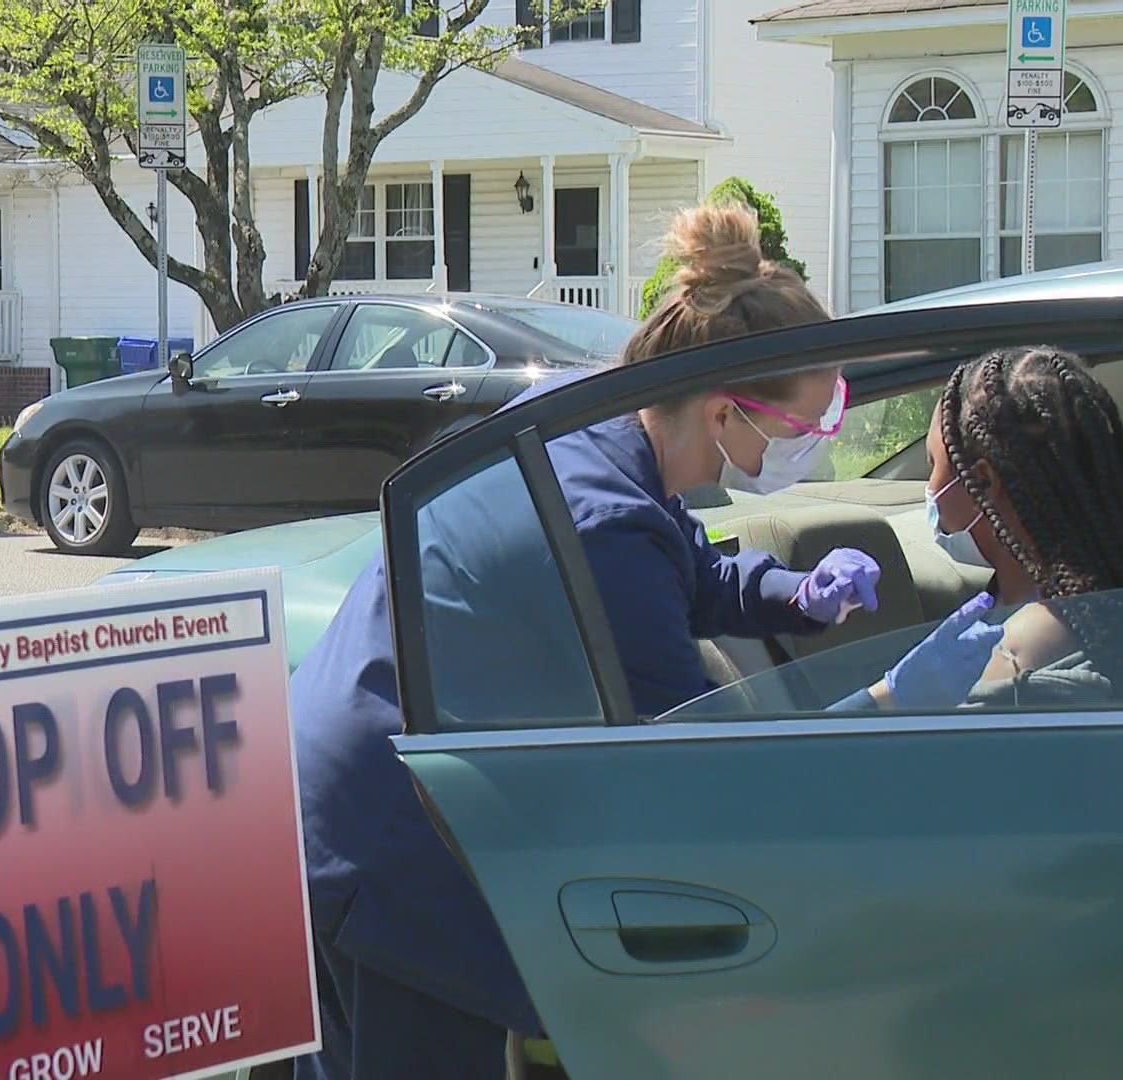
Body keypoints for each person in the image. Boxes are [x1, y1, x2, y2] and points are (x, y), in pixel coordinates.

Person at [286, 203, 884, 1079]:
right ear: (726, 415)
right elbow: (686, 760)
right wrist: (882, 710)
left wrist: (800, 592)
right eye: (803, 431)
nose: (812, 451)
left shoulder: (596, 419)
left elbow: (693, 572)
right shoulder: (606, 518)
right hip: (386, 834)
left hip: (356, 779)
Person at [830, 343, 1123, 713]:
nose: (929, 488)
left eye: (933, 465)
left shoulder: (1018, 655)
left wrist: (888, 697)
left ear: (984, 481)